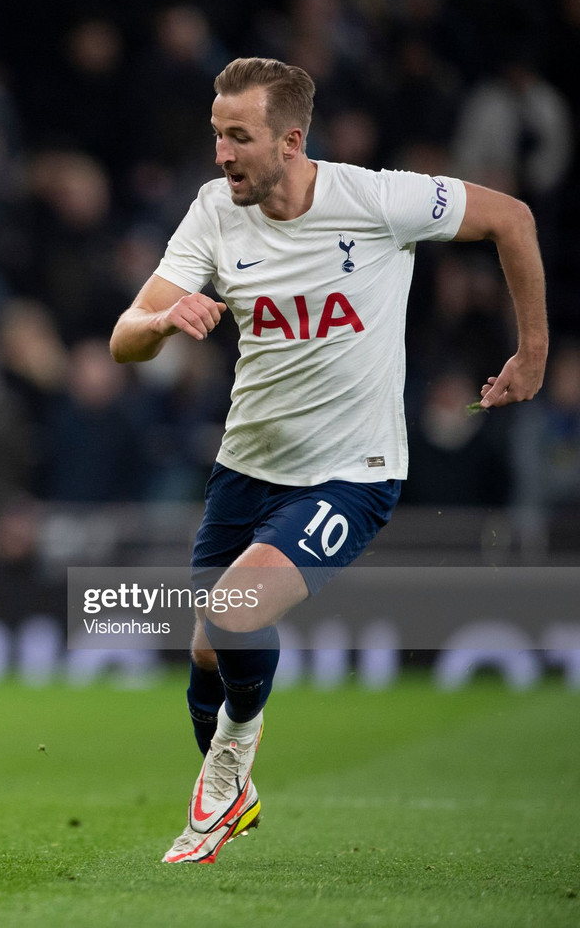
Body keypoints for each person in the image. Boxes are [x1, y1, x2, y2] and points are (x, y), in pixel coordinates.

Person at [110, 57, 547, 864]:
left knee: (236, 614)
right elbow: (123, 337)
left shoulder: (376, 199)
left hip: (355, 470)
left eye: (238, 137)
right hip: (247, 466)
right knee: (208, 647)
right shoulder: (213, 212)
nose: (221, 154)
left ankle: (232, 770)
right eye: (216, 135)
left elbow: (513, 217)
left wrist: (532, 354)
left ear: (291, 140)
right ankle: (229, 786)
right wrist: (169, 319)